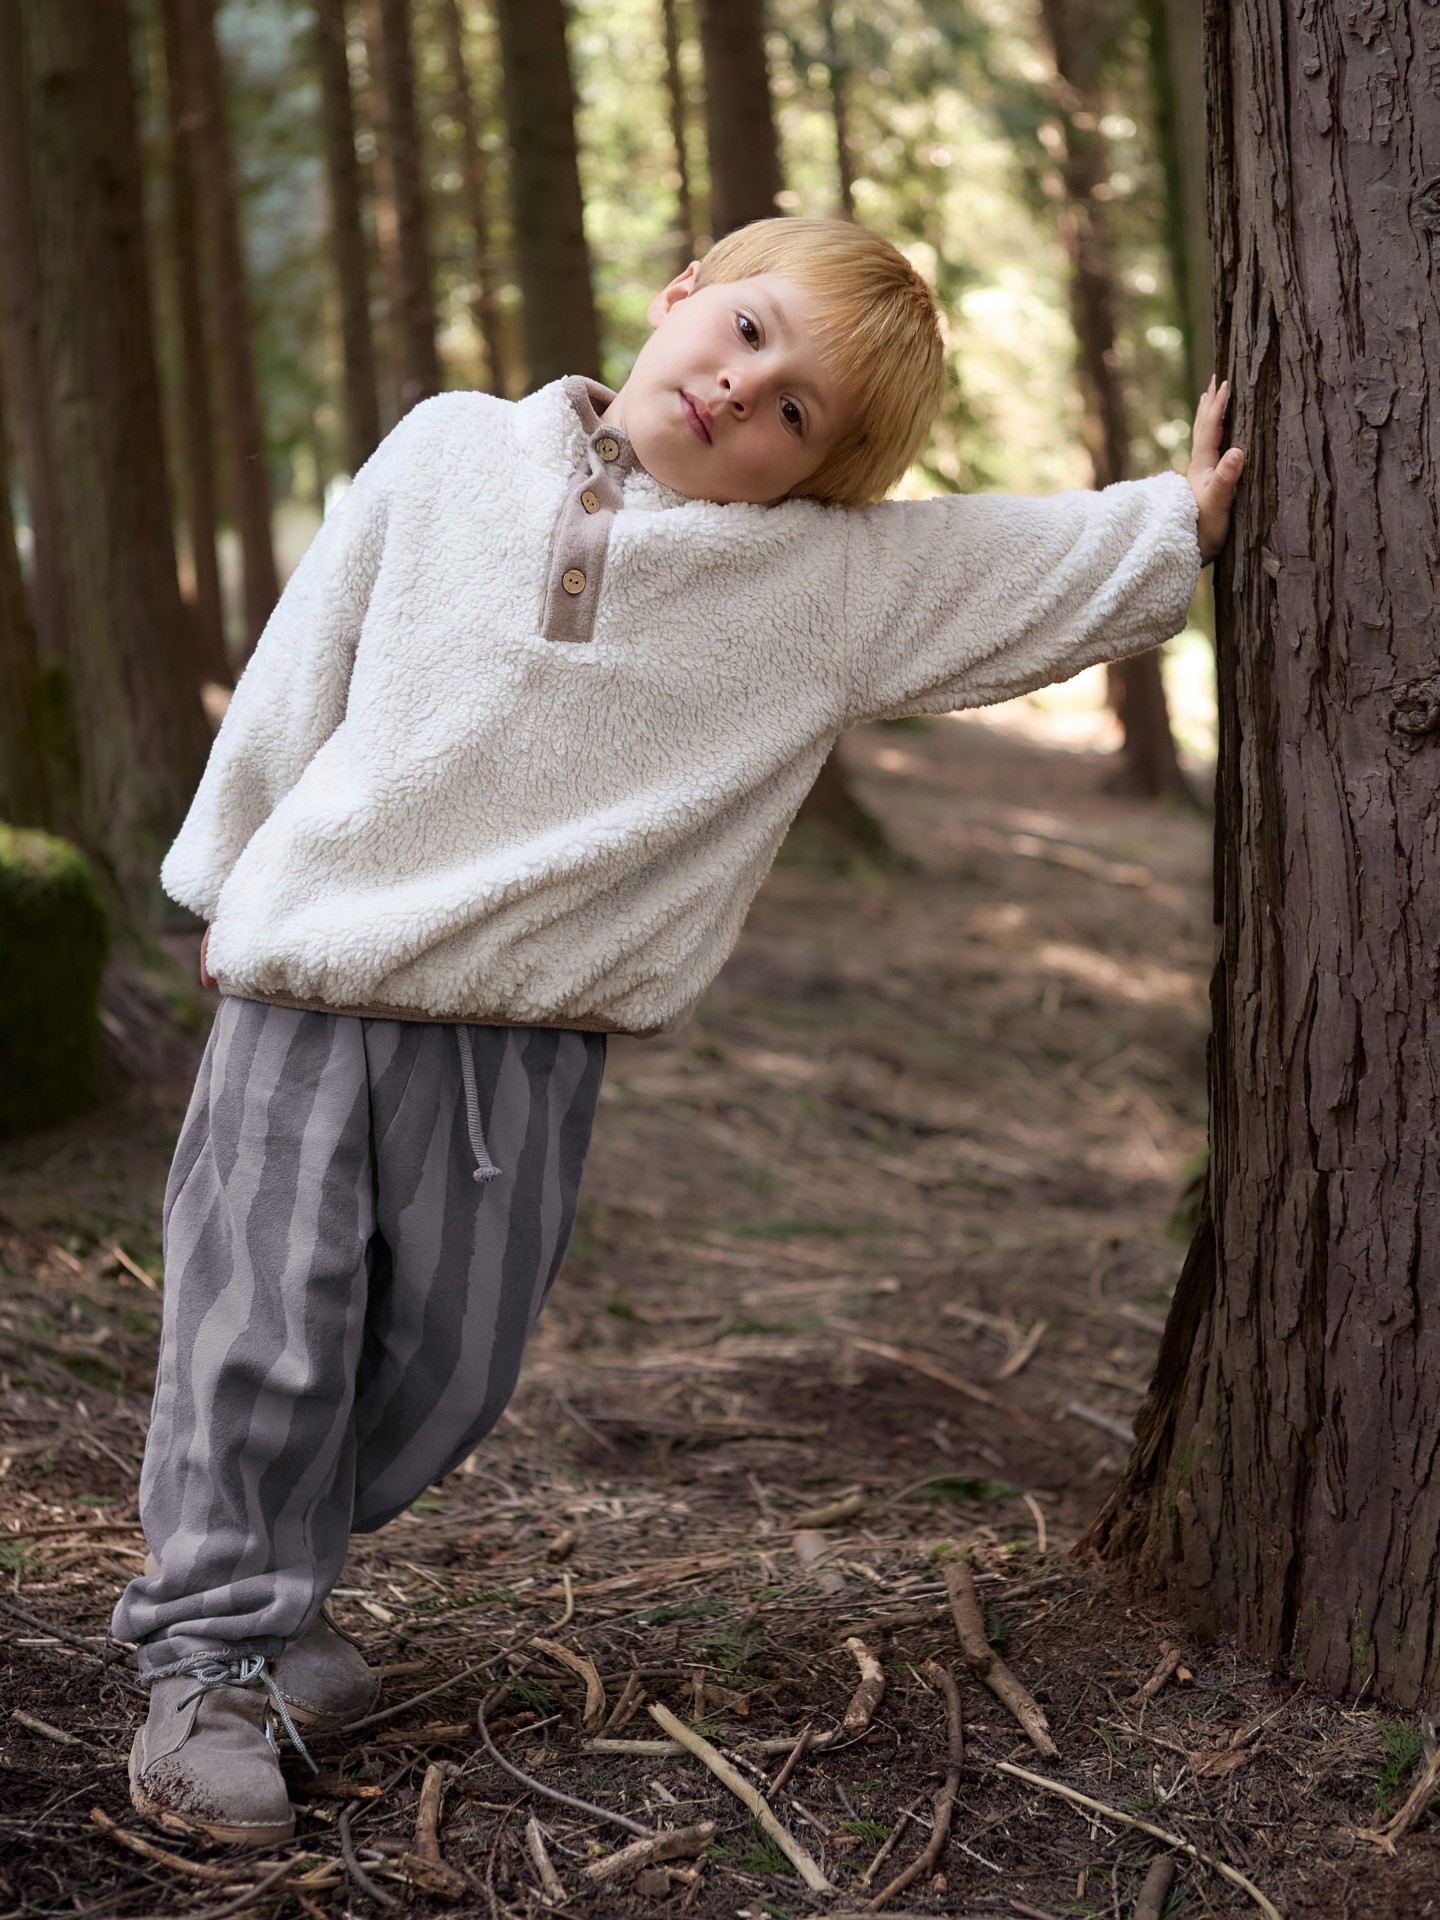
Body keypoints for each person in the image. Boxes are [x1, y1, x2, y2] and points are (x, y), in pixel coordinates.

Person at [112, 217, 1243, 1843]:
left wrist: (1173, 528)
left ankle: (276, 1595)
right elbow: (307, 657)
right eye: (751, 333)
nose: (747, 388)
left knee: (442, 1368)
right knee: (262, 1334)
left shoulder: (814, 585)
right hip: (313, 987)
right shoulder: (446, 450)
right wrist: (222, 878)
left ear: (814, 479)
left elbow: (1001, 567)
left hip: (532, 1040)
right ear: (684, 293)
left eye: (799, 413)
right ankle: (204, 1660)